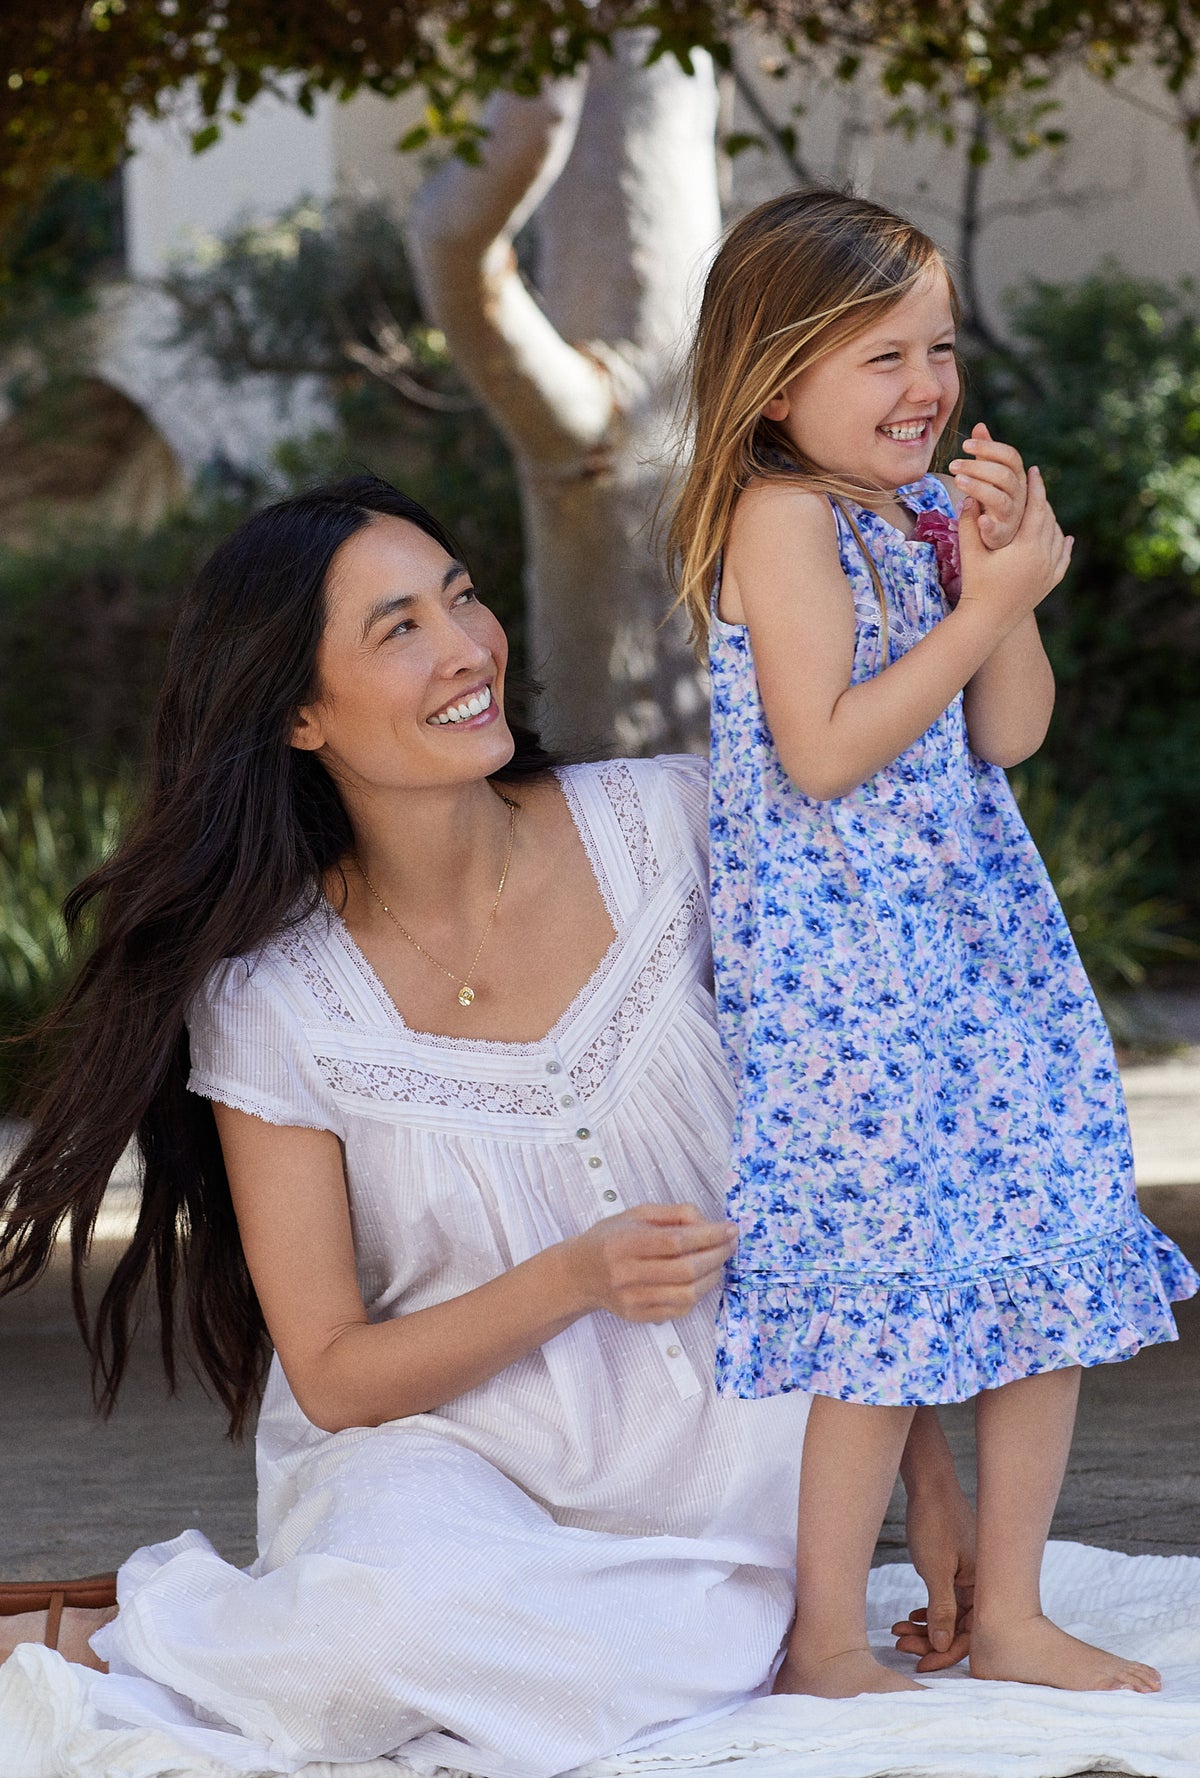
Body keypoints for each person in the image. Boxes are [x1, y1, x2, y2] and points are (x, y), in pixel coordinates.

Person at [0, 477, 975, 1777]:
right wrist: (576, 1276)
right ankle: (162, 1632)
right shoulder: (274, 996)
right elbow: (337, 1371)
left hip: (734, 1458)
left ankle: (260, 1648)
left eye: (461, 594)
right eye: (398, 626)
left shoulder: (677, 825)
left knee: (661, 1656)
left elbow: (852, 1167)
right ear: (298, 713)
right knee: (399, 1623)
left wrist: (933, 1477)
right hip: (447, 1466)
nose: (466, 645)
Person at [665, 188, 1199, 1703]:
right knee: (873, 1290)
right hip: (850, 971)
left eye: (941, 349)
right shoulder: (779, 519)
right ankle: (829, 1632)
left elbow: (1005, 733)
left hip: (975, 945)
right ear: (777, 382)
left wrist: (997, 576)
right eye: (882, 356)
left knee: (1052, 1222)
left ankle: (1015, 1604)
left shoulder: (909, 517)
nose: (927, 385)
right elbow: (824, 753)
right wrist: (990, 611)